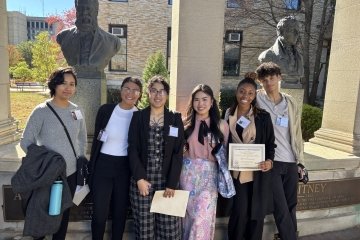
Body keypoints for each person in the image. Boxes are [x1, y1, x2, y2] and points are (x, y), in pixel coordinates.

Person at [20, 67, 87, 240]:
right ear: (54, 85)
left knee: (62, 219)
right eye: (63, 83)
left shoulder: (77, 110)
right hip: (47, 175)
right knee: (41, 218)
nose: (68, 88)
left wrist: (79, 156)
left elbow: (82, 138)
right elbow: (26, 141)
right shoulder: (41, 111)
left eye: (72, 84)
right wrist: (45, 162)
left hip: (70, 175)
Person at [128, 75, 184, 239]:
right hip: (142, 183)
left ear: (167, 94)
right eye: (153, 91)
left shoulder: (175, 118)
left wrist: (172, 183)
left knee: (169, 230)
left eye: (162, 91)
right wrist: (139, 178)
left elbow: (178, 153)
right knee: (144, 230)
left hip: (167, 182)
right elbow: (132, 149)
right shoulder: (138, 117)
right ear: (148, 93)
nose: (158, 95)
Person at [255, 62, 305, 240]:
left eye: (272, 78)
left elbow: (297, 133)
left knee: (291, 205)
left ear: (279, 78)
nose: (269, 83)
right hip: (272, 162)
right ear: (260, 82)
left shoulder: (290, 101)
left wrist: (300, 161)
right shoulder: (257, 99)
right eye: (265, 80)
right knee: (280, 207)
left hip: (291, 161)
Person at [90, 77, 142, 240]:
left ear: (139, 94)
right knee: (99, 213)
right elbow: (96, 142)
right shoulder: (106, 110)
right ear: (121, 90)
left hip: (124, 169)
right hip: (103, 167)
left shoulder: (140, 116)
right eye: (127, 88)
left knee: (120, 213)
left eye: (135, 90)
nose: (130, 93)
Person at [225, 76, 276, 240]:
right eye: (242, 91)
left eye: (250, 93)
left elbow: (270, 143)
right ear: (236, 92)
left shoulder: (263, 117)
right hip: (237, 174)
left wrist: (269, 161)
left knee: (256, 215)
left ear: (255, 95)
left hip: (258, 173)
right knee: (239, 213)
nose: (245, 95)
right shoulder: (227, 114)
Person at [180, 84, 229, 240]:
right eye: (196, 100)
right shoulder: (184, 123)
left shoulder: (222, 125)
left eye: (204, 99)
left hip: (209, 176)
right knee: (187, 218)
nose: (200, 104)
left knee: (202, 217)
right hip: (187, 174)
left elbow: (224, 154)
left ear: (212, 102)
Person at [56, 0, 121, 73]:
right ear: (76, 11)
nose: (84, 13)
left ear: (96, 12)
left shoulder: (112, 42)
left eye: (88, 9)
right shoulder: (63, 37)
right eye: (80, 9)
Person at [258, 16, 304, 86]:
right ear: (281, 32)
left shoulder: (299, 58)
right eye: (292, 30)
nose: (296, 34)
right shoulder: (267, 56)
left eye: (297, 31)